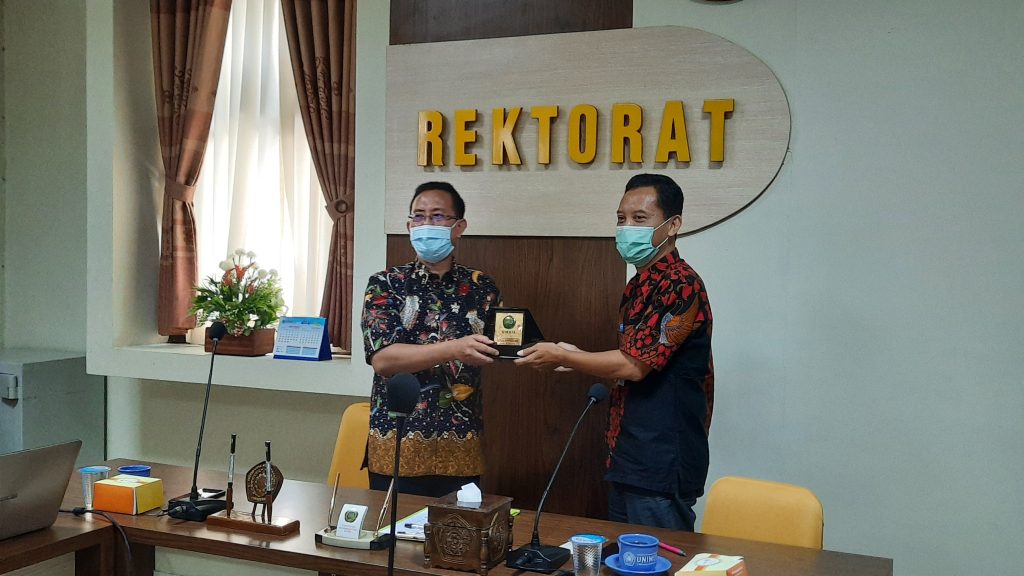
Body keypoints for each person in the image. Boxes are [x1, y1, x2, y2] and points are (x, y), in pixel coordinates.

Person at [515, 173, 714, 531]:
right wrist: (576, 355)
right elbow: (630, 359)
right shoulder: (640, 283)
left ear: (673, 225)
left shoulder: (680, 283)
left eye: (640, 219)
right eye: (622, 218)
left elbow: (635, 366)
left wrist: (565, 357)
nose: (626, 228)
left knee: (659, 559)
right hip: (628, 454)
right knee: (625, 557)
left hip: (661, 460)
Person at [360, 181, 502, 497]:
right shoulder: (386, 284)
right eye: (419, 216)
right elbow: (384, 360)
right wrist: (455, 348)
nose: (426, 224)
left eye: (437, 216)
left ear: (458, 227)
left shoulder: (482, 287)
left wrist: (550, 351)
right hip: (397, 444)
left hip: (460, 445)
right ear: (409, 226)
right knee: (393, 529)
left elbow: (504, 342)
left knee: (457, 528)